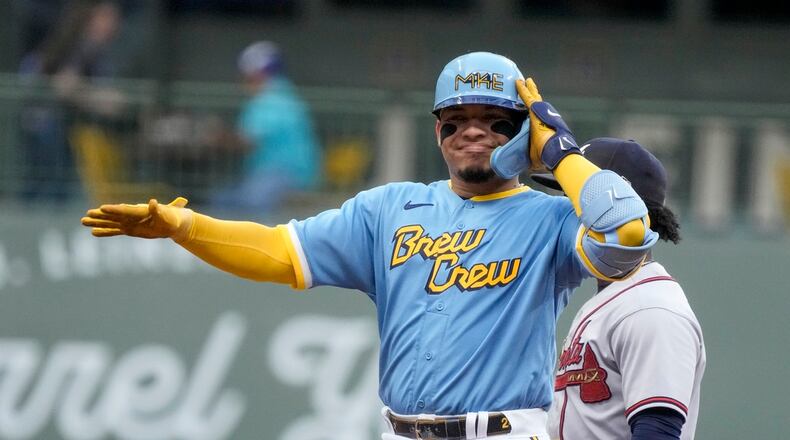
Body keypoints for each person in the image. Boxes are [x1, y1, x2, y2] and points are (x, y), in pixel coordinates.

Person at [81, 51, 659, 439]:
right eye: (456, 118)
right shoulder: (389, 208)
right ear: (437, 129)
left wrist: (559, 152)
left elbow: (626, 233)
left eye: (496, 120)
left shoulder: (552, 218)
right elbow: (281, 252)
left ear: (524, 129)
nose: (473, 131)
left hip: (504, 431)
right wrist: (186, 228)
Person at [533, 138, 706, 440]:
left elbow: (658, 430)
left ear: (619, 211)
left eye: (578, 200)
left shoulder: (650, 309)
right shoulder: (617, 298)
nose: (567, 211)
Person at [210, 40, 322, 213]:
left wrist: (216, 136)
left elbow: (248, 141)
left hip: (285, 174)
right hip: (273, 173)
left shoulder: (271, 98)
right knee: (222, 199)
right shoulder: (283, 94)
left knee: (250, 204)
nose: (244, 81)